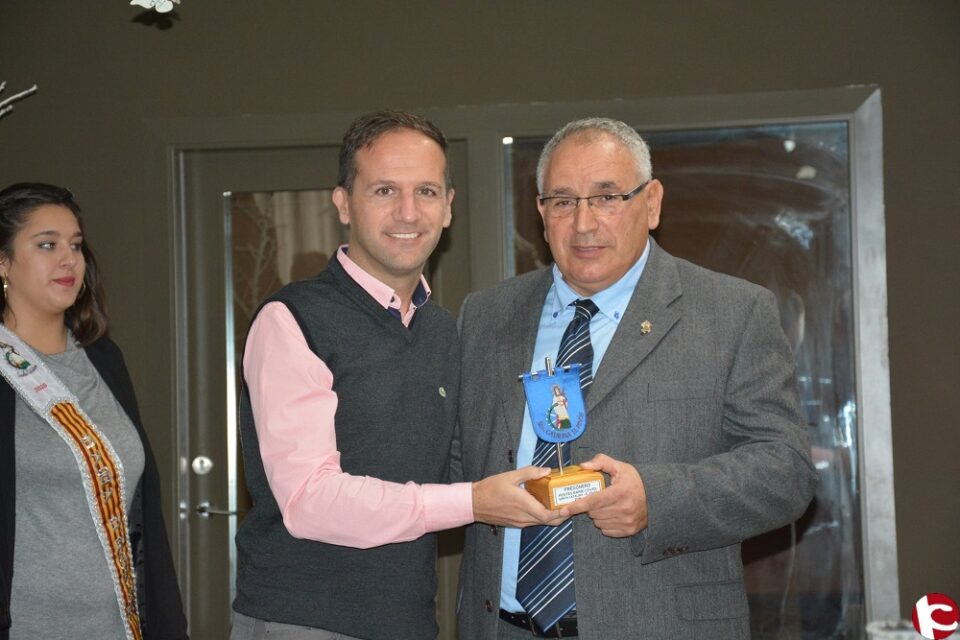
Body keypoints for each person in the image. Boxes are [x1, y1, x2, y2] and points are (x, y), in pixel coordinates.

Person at [454, 118, 817, 639]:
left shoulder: (732, 313)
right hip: (500, 627)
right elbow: (452, 462)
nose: (583, 223)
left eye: (607, 198)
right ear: (540, 212)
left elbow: (787, 471)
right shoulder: (485, 316)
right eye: (562, 201)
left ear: (652, 203)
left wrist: (656, 498)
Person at [231, 110, 560, 640]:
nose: (409, 212)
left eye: (427, 192)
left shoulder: (444, 332)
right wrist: (476, 500)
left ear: (449, 208)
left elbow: (458, 467)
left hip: (409, 622)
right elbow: (308, 501)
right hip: (300, 622)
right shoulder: (291, 320)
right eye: (385, 190)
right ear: (343, 203)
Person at [0, 183, 188, 640]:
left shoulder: (104, 359)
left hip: (120, 626)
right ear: (3, 263)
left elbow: (144, 514)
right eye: (47, 245)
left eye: (76, 245)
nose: (69, 260)